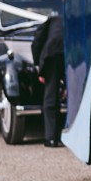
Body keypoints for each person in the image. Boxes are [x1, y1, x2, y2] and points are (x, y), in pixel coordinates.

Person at [31, 13, 65, 147]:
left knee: (50, 97)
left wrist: (38, 66)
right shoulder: (69, 18)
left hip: (52, 54)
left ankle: (51, 138)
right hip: (70, 52)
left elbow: (37, 42)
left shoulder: (50, 20)